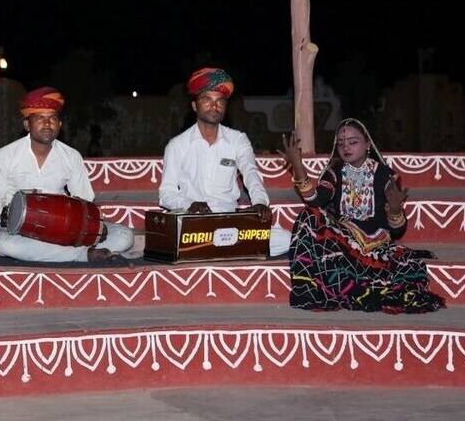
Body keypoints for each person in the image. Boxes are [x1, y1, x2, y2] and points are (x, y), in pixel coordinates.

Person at [280, 118, 445, 313]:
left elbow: (398, 231)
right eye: (341, 143)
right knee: (308, 215)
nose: (346, 147)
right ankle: (307, 288)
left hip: (376, 246)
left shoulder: (386, 176)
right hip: (345, 242)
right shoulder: (334, 173)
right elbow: (315, 200)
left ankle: (352, 285)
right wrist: (298, 167)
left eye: (353, 142)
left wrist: (394, 211)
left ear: (367, 144)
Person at [0, 87, 134, 262]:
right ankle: (81, 255)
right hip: (20, 231)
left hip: (64, 229)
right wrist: (4, 222)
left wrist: (88, 229)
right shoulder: (5, 155)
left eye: (52, 118)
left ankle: (53, 253)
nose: (47, 123)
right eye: (40, 118)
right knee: (2, 244)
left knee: (125, 236)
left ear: (60, 124)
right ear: (27, 124)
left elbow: (85, 199)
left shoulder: (71, 156)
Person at [159, 67, 291, 257]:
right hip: (194, 224)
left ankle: (218, 248)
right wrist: (190, 204)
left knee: (284, 239)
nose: (215, 106)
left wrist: (260, 202)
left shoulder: (238, 140)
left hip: (228, 221)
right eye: (207, 100)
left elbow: (251, 173)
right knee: (178, 238)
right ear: (195, 106)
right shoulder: (177, 145)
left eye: (220, 101)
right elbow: (166, 194)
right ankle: (228, 248)